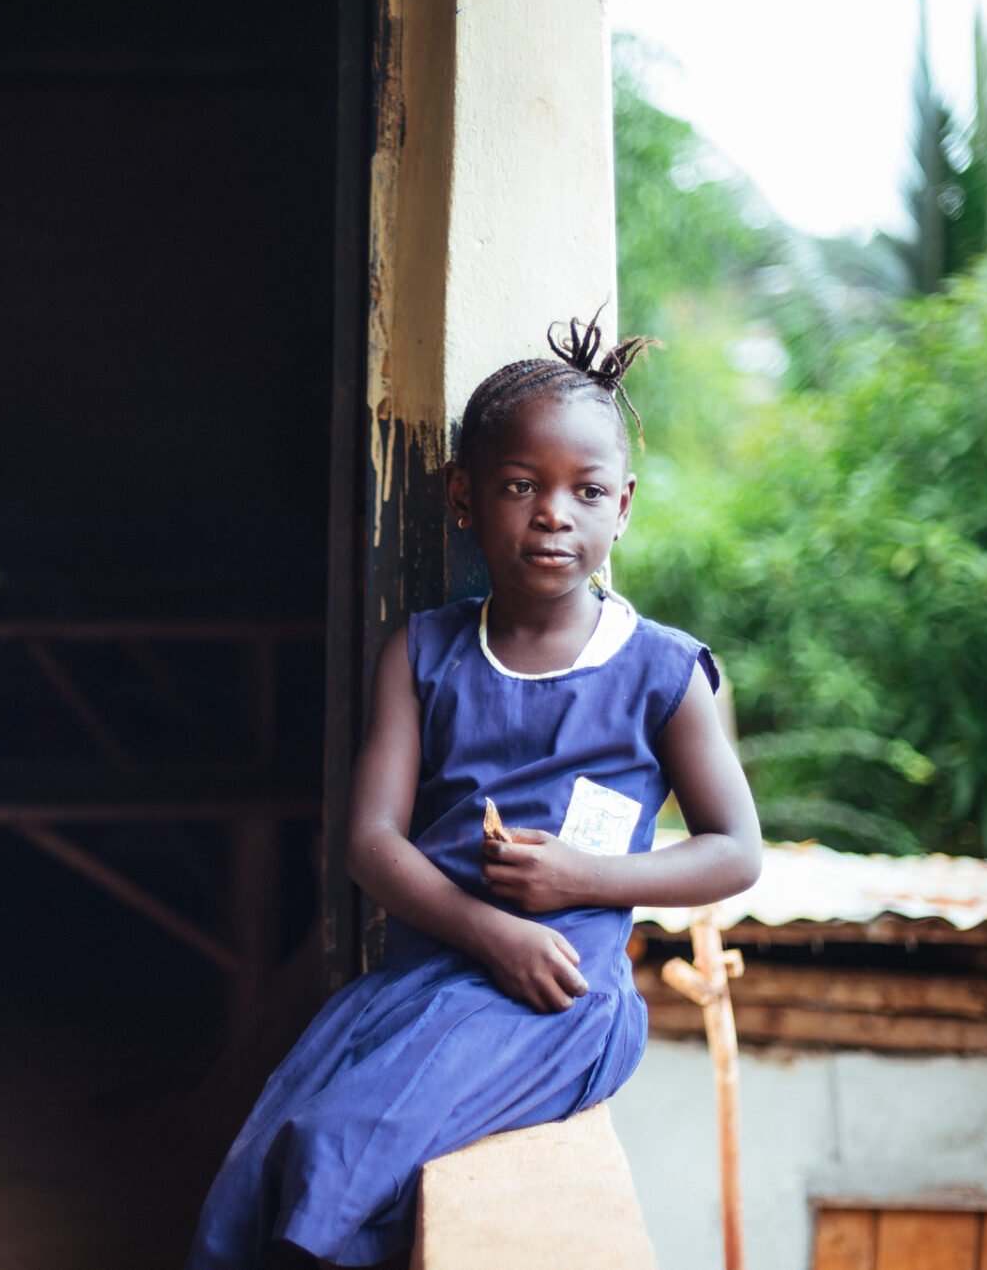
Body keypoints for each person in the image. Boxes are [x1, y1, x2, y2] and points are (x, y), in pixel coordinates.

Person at [184, 313, 764, 1269]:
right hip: (423, 984)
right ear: (463, 496)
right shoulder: (423, 652)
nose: (552, 515)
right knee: (262, 1165)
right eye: (520, 486)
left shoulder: (663, 673)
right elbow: (371, 842)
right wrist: (489, 927)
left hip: (557, 1001)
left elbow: (736, 852)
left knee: (339, 1150)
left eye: (584, 493)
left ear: (622, 507)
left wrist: (585, 878)